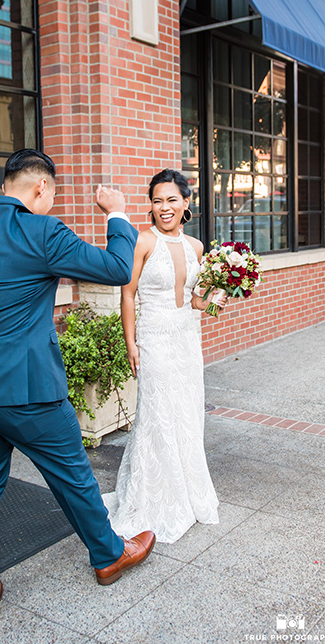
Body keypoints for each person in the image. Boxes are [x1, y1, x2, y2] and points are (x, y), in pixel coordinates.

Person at [0, 149, 155, 634]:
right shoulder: (42, 231)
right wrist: (116, 211)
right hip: (28, 390)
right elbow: (118, 268)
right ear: (40, 189)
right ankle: (109, 556)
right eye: (52, 195)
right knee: (73, 476)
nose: (51, 203)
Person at [103, 169, 225, 544]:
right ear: (151, 206)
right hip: (154, 338)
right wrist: (131, 343)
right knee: (156, 415)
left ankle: (187, 494)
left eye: (172, 199)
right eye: (157, 200)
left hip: (187, 338)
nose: (164, 207)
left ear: (187, 203)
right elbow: (127, 295)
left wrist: (218, 297)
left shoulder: (197, 248)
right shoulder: (142, 242)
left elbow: (196, 301)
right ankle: (153, 498)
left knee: (186, 412)